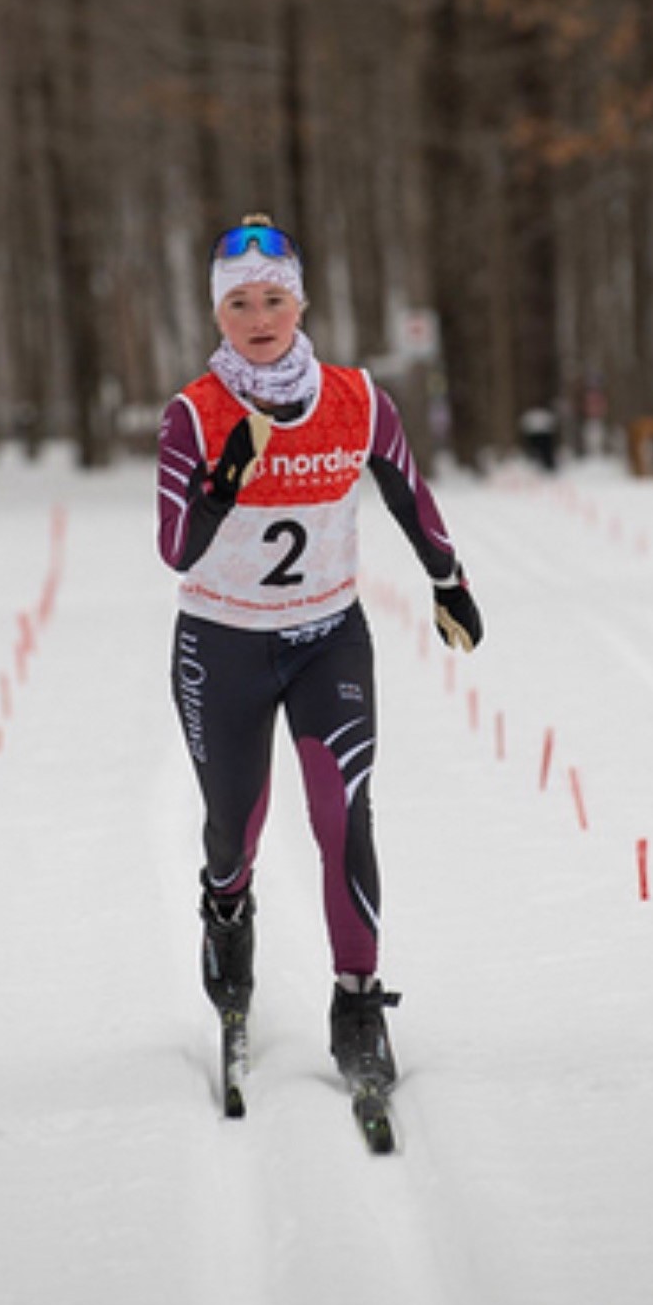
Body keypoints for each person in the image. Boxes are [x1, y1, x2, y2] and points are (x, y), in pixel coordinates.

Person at [156, 214, 483, 1092]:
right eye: (238, 304)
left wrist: (447, 580)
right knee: (235, 831)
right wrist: (223, 481)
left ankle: (359, 1001)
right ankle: (227, 912)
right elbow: (176, 548)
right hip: (221, 645)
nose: (259, 318)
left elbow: (410, 495)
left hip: (325, 640)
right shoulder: (194, 413)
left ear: (300, 302)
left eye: (273, 299)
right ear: (216, 314)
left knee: (344, 815)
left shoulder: (357, 399)